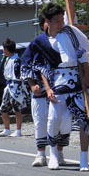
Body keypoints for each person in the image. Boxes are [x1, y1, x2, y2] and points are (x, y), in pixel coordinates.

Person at [34, 3, 89, 171]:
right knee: (54, 120)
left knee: (84, 120)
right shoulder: (41, 41)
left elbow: (82, 54)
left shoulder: (69, 32)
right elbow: (41, 68)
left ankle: (84, 159)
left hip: (75, 80)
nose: (61, 23)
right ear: (47, 21)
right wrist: (47, 89)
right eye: (57, 20)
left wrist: (86, 78)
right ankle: (53, 155)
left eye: (62, 19)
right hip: (57, 82)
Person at [22, 16, 51, 166]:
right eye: (47, 21)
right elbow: (25, 65)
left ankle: (58, 153)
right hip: (39, 91)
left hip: (59, 88)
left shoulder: (63, 40)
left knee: (60, 123)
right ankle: (41, 154)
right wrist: (32, 84)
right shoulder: (36, 43)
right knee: (40, 122)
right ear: (42, 25)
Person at [0, 39, 28, 137]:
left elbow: (19, 74)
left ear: (6, 49)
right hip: (9, 86)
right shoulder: (7, 59)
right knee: (3, 109)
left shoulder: (17, 60)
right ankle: (7, 129)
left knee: (17, 109)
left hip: (16, 86)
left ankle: (18, 130)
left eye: (3, 49)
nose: (3, 51)